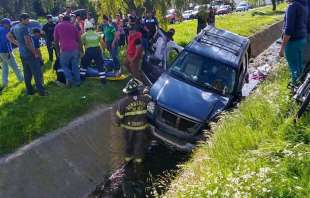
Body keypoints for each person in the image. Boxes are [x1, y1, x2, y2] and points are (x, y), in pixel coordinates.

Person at [114, 78, 151, 163]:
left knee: (128, 145)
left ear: (128, 92)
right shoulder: (145, 99)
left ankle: (128, 160)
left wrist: (117, 124)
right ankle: (138, 163)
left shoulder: (123, 102)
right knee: (139, 145)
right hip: (141, 128)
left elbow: (119, 117)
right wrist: (146, 91)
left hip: (128, 129)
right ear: (137, 90)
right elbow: (149, 98)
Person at [8, 13, 45, 96]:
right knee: (37, 72)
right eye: (27, 19)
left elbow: (9, 36)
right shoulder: (24, 28)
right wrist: (35, 53)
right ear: (22, 19)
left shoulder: (15, 27)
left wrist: (18, 43)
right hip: (29, 53)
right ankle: (42, 92)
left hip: (22, 53)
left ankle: (30, 91)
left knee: (27, 73)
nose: (29, 21)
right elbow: (28, 42)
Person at [279, 0, 308, 85]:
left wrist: (282, 48)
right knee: (300, 65)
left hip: (293, 42)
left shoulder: (292, 7)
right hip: (302, 39)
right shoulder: (304, 4)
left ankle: (295, 89)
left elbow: (288, 30)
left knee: (293, 67)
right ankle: (302, 84)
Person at [54, 15, 82, 87]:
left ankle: (69, 79)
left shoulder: (58, 26)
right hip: (74, 49)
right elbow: (79, 39)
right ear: (69, 20)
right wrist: (81, 50)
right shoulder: (73, 26)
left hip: (64, 49)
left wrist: (57, 51)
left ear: (62, 19)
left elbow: (56, 41)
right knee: (75, 66)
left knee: (64, 65)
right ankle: (78, 82)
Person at [0, 18, 23, 89]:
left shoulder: (0, 29)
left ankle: (4, 83)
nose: (10, 26)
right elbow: (5, 42)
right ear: (4, 24)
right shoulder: (4, 30)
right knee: (15, 66)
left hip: (1, 52)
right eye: (8, 24)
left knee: (5, 68)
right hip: (6, 52)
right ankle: (22, 79)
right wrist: (10, 51)